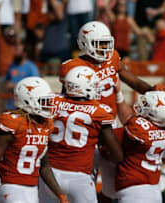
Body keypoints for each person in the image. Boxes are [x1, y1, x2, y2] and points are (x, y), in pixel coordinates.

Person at [59, 21, 153, 201]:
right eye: (98, 44)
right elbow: (67, 100)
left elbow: (132, 80)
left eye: (106, 43)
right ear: (85, 43)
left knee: (112, 188)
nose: (104, 48)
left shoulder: (113, 58)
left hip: (110, 127)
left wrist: (153, 90)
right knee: (85, 181)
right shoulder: (73, 67)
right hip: (87, 131)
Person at [39, 67, 123, 203]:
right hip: (79, 178)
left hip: (50, 176)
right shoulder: (99, 111)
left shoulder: (52, 102)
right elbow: (117, 155)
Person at [0, 77, 69, 203]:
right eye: (43, 101)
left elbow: (44, 167)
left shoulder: (45, 125)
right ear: (28, 100)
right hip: (12, 189)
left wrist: (60, 194)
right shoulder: (13, 123)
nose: (48, 105)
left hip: (32, 191)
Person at [114, 90, 165, 203]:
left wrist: (118, 94)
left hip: (135, 190)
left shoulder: (140, 130)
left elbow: (127, 117)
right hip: (154, 189)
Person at [5, 43, 40, 110]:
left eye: (17, 50)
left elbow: (36, 85)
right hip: (11, 105)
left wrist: (16, 85)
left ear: (24, 54)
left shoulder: (31, 67)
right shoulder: (12, 66)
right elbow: (7, 83)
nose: (15, 53)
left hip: (26, 107)